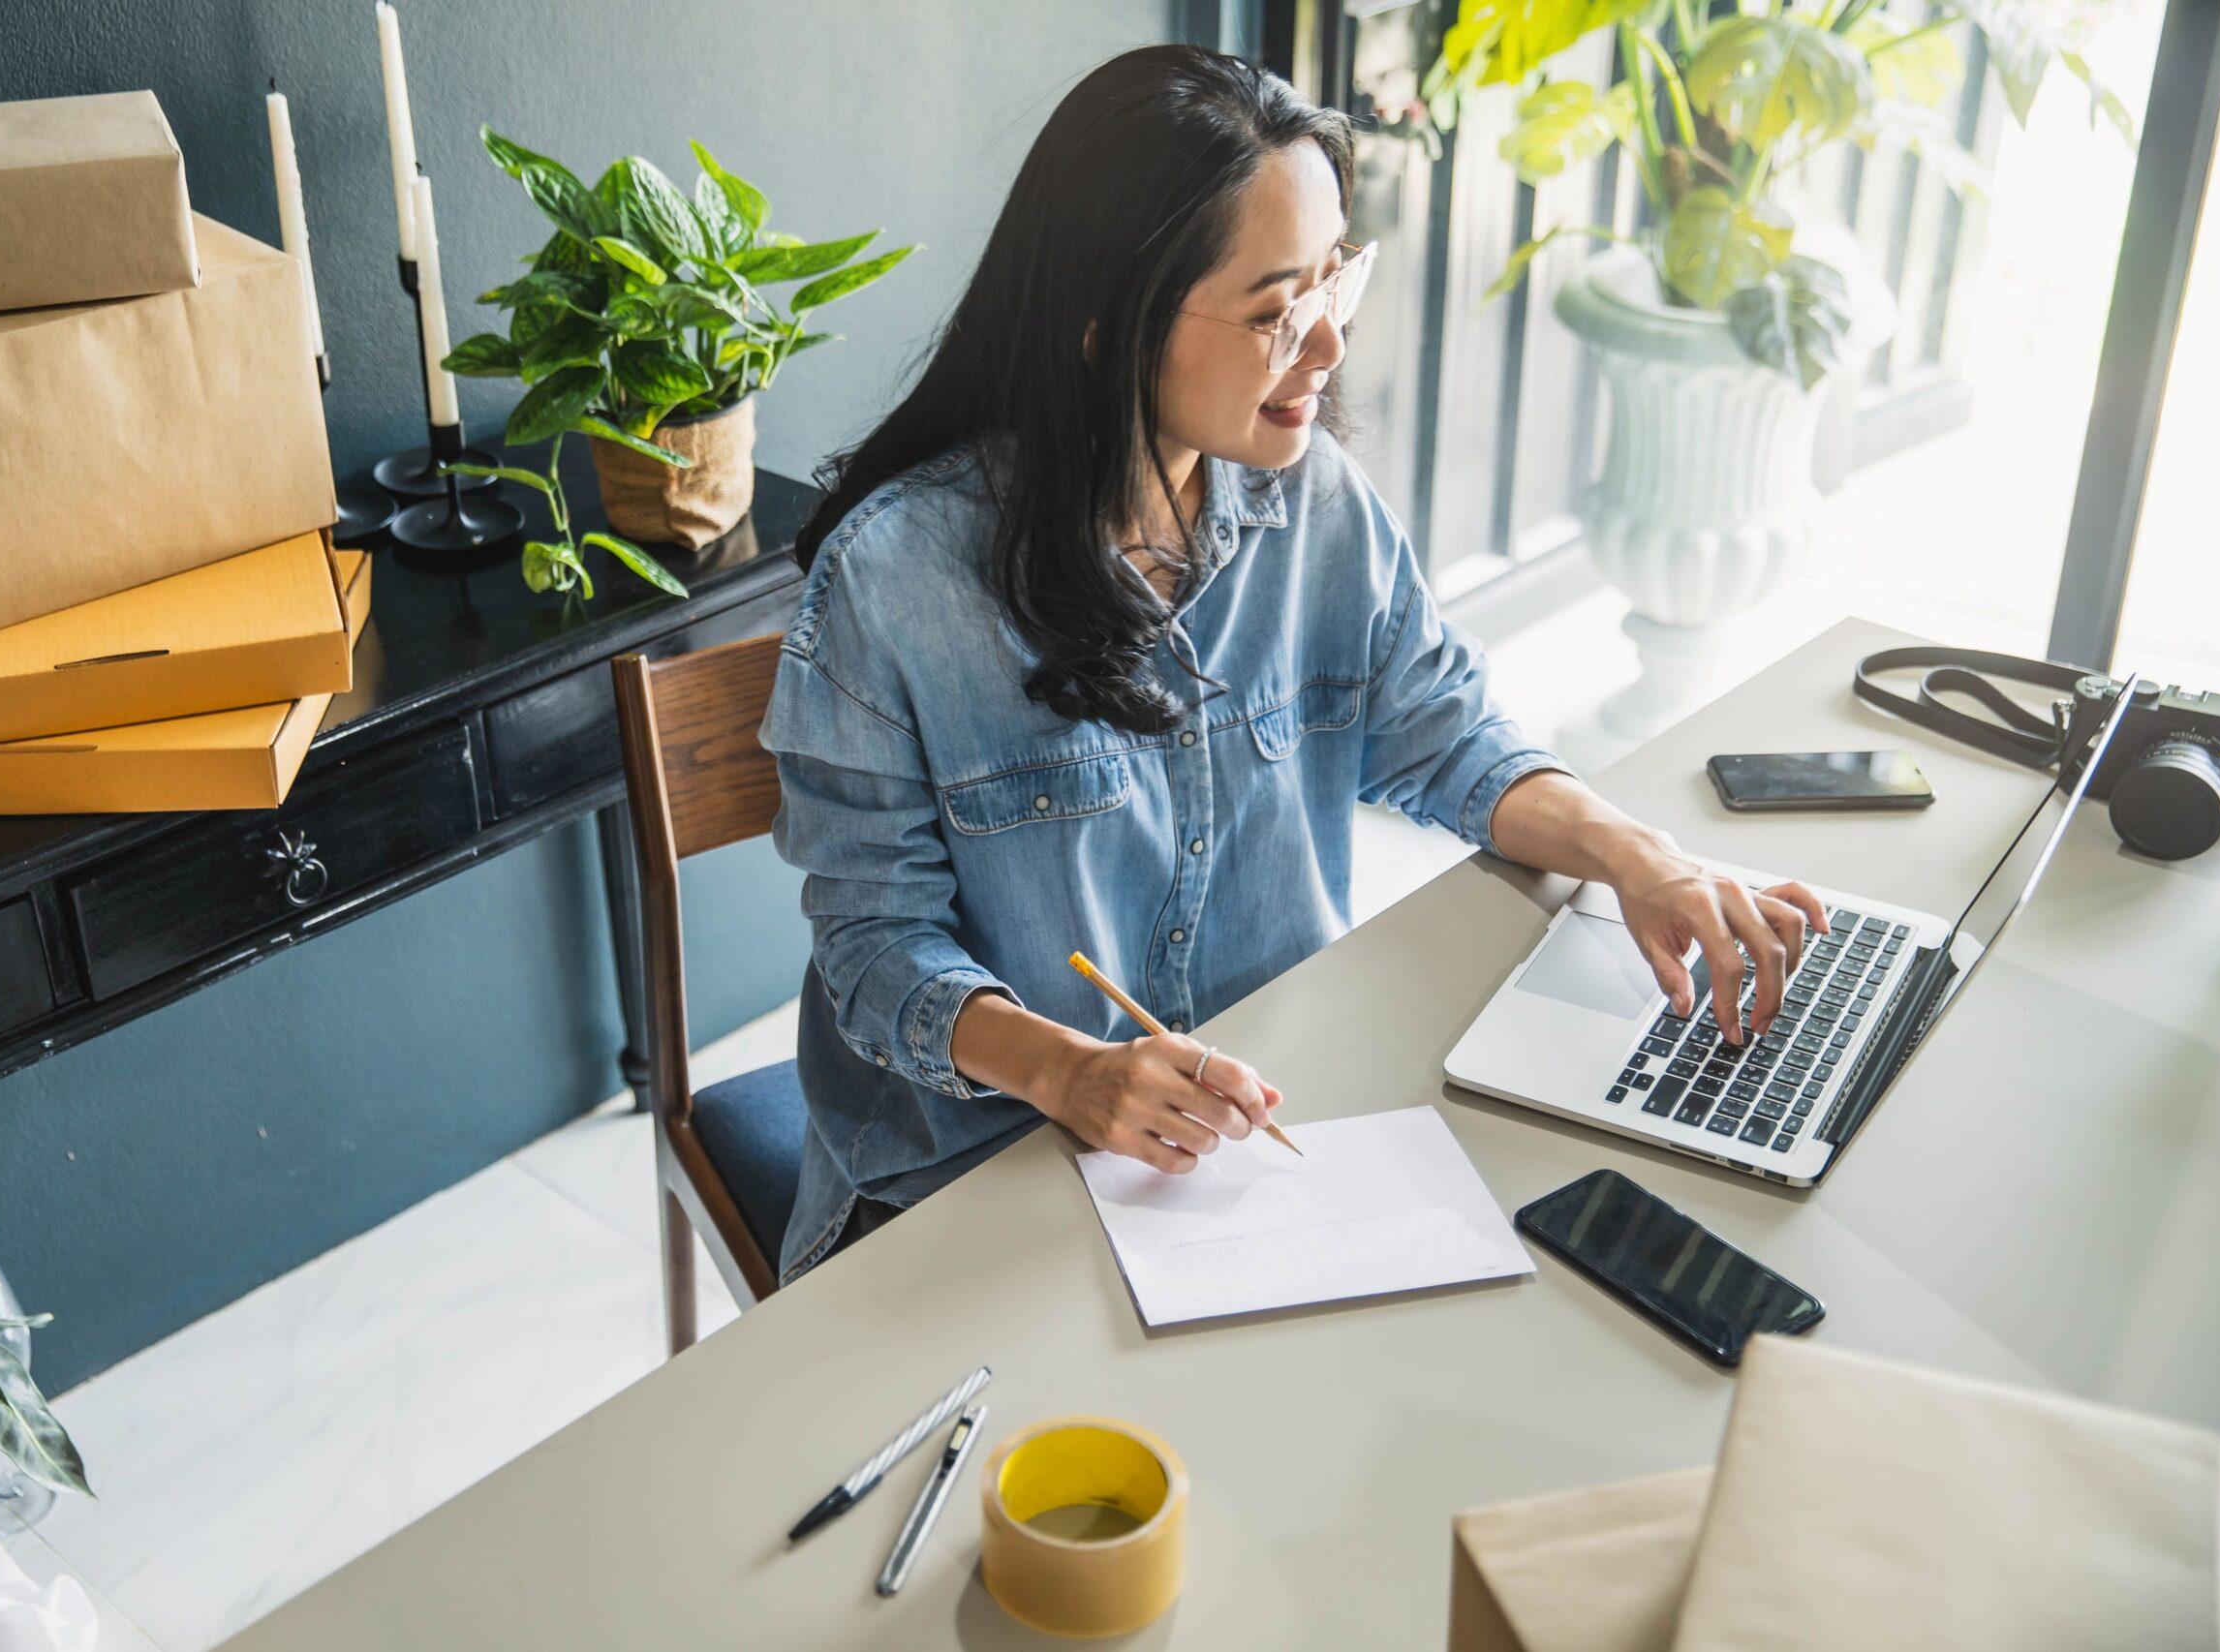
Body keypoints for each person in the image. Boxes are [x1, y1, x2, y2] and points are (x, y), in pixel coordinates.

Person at [758, 44, 1827, 1282]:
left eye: (1333, 285)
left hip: (1256, 1128)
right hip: (977, 1167)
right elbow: (874, 948)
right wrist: (1073, 1071)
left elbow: (1443, 730)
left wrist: (1640, 855)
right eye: (1274, 312)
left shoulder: (1314, 502)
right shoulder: (895, 583)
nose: (1323, 351)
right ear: (1106, 330)